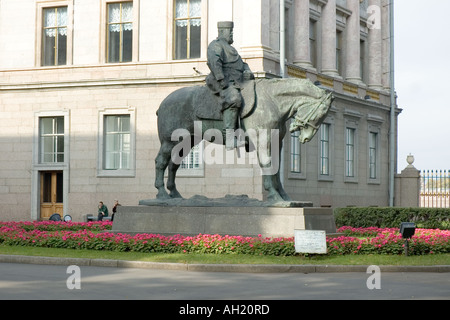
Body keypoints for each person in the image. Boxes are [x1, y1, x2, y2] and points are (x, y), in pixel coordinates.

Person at [206, 21, 254, 150]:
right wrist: (222, 80)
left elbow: (241, 64)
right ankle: (229, 138)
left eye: (232, 31)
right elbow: (214, 63)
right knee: (234, 98)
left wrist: (247, 71)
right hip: (221, 81)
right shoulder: (215, 46)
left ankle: (246, 134)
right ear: (222, 32)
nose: (232, 34)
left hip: (237, 81)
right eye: (230, 31)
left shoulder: (232, 49)